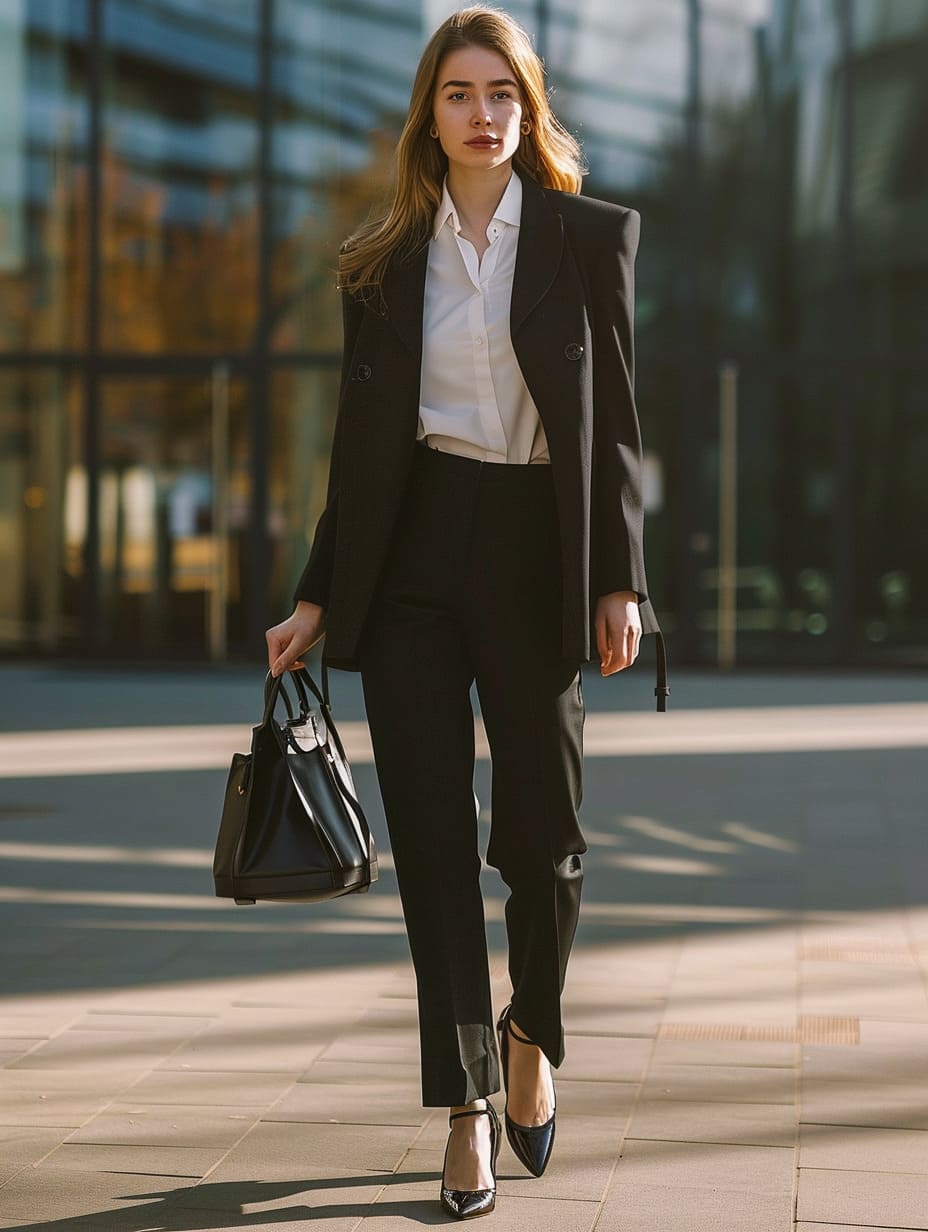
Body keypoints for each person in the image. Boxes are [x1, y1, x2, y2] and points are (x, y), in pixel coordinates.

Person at [266, 5, 669, 1219]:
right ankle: (464, 1107)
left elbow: (616, 426)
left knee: (541, 836)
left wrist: (619, 577)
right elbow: (364, 454)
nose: (482, 114)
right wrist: (320, 592)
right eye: (458, 93)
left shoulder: (589, 239)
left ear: (528, 109)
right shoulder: (383, 263)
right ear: (427, 115)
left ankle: (530, 1031)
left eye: (502, 92)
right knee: (435, 846)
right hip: (417, 565)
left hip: (540, 550)